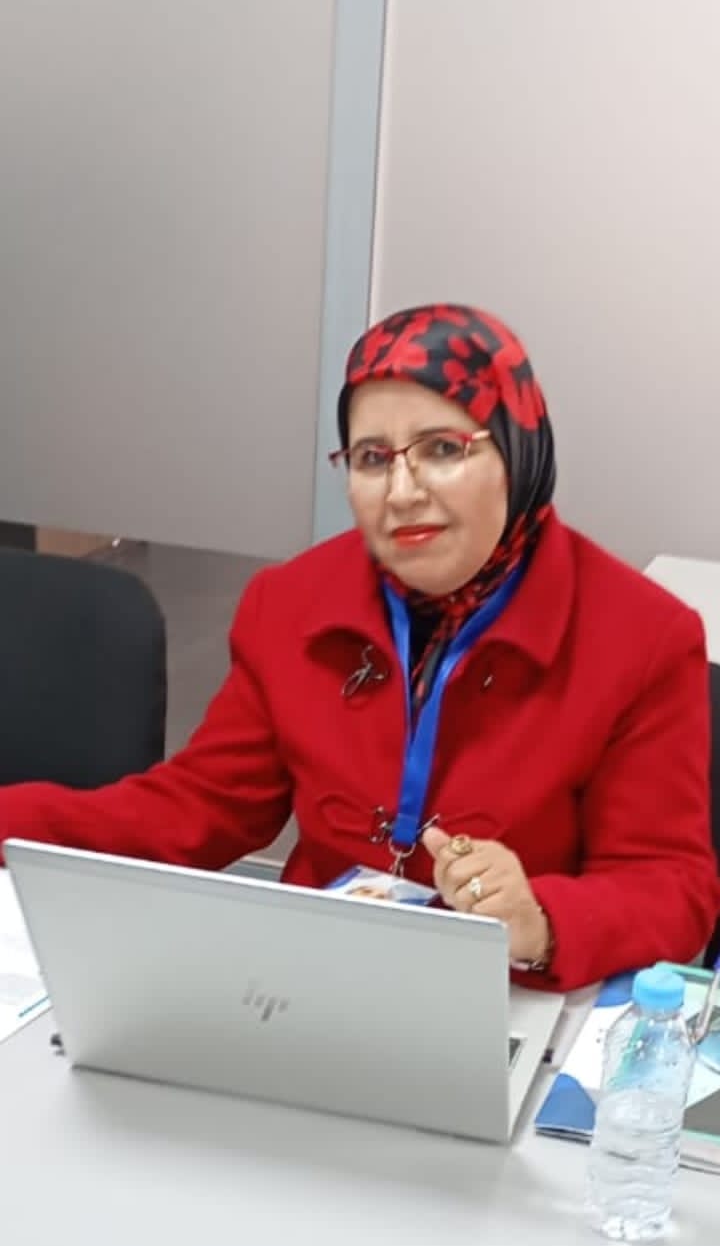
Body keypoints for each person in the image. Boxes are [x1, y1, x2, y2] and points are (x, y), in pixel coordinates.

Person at [0, 303, 717, 989]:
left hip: (511, 994)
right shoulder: (291, 603)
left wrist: (540, 922)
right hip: (310, 981)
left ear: (518, 451)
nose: (402, 492)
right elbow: (197, 809)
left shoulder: (643, 638)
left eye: (443, 449)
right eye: (373, 458)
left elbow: (672, 887)